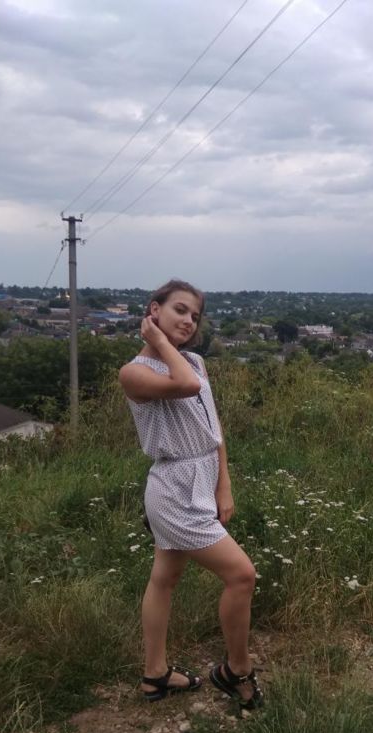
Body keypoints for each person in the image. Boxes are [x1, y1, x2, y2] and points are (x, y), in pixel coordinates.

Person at [119, 279, 263, 710]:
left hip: (202, 477)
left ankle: (155, 676)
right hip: (174, 489)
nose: (188, 321)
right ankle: (236, 670)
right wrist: (161, 342)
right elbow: (186, 386)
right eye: (179, 310)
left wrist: (224, 484)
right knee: (242, 576)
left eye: (194, 316)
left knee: (165, 578)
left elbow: (212, 427)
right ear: (154, 310)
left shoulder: (195, 360)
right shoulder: (134, 373)